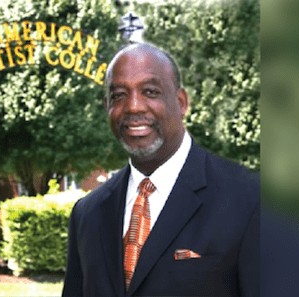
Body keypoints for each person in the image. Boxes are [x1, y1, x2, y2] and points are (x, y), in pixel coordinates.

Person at [62, 43, 259, 296]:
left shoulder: (251, 199)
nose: (133, 106)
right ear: (107, 107)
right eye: (119, 95)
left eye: (150, 92)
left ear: (181, 102)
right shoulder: (87, 214)